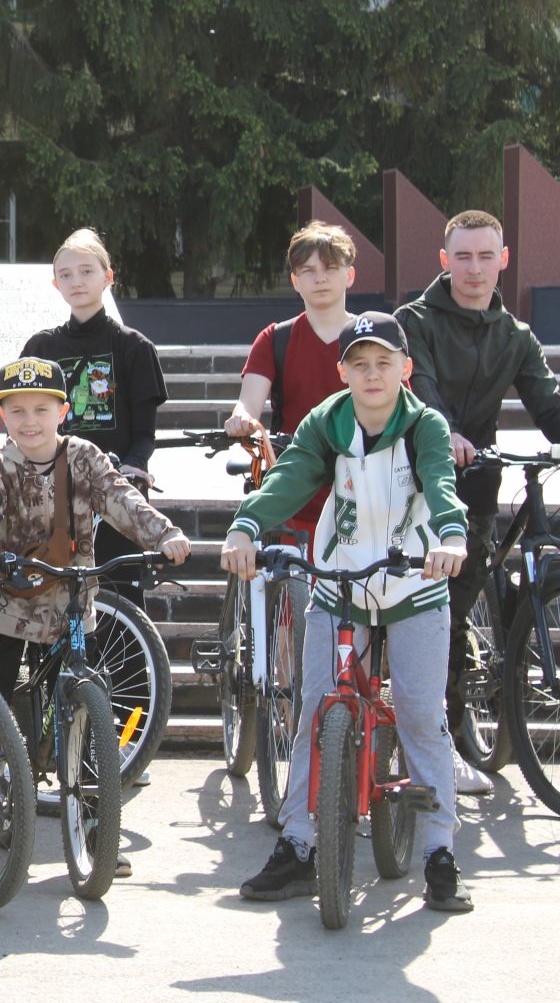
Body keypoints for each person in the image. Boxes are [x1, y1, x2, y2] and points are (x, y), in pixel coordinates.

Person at [223, 312, 471, 912]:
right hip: (340, 582)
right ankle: (301, 842)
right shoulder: (327, 421)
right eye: (359, 364)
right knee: (315, 706)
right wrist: (247, 525)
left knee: (418, 712)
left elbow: (440, 485)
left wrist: (453, 538)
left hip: (415, 583)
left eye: (384, 362)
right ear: (343, 372)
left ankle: (440, 850)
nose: (372, 374)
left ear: (405, 369)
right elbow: (291, 478)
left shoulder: (424, 426)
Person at [0, 356, 190, 879]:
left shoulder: (84, 458)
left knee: (85, 708)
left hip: (70, 602)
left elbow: (120, 499)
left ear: (63, 410)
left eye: (41, 408)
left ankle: (92, 823)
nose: (30, 420)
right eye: (17, 410)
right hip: (9, 601)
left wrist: (164, 534)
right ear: (3, 416)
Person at [395, 209, 560, 798]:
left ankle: (446, 745)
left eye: (484, 256)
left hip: (477, 489)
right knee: (423, 614)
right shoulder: (412, 321)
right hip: (412, 490)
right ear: (444, 262)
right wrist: (447, 434)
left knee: (457, 612)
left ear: (503, 260)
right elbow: (421, 389)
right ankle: (411, 741)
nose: (473, 268)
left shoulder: (515, 336)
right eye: (461, 257)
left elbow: (547, 403)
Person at [20, 228, 168, 610]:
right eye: (65, 274)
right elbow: (24, 426)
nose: (76, 281)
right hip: (52, 494)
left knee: (121, 602)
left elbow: (144, 434)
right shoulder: (40, 349)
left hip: (117, 493)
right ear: (55, 284)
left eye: (86, 271)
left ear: (108, 277)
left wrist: (133, 469)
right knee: (47, 602)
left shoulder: (134, 347)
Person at [224, 221, 358, 554]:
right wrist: (241, 419)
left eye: (330, 268)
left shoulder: (372, 339)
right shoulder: (275, 339)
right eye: (308, 270)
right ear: (295, 282)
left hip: (363, 487)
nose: (320, 278)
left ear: (349, 275)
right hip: (294, 491)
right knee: (289, 598)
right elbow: (248, 404)